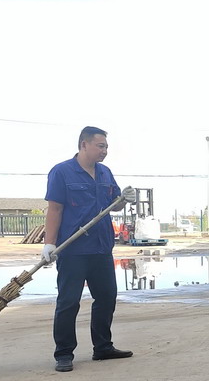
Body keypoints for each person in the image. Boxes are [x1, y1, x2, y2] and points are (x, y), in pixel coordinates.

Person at [41, 126, 136, 373]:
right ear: (84, 144)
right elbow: (55, 209)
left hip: (101, 248)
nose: (105, 151)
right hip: (73, 249)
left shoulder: (105, 173)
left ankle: (103, 347)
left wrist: (125, 199)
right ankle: (64, 353)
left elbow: (114, 205)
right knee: (69, 302)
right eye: (100, 146)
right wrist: (49, 243)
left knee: (106, 297)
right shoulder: (62, 172)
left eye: (106, 147)